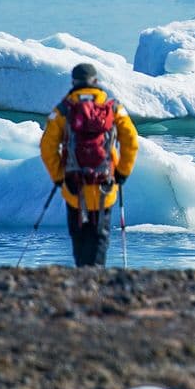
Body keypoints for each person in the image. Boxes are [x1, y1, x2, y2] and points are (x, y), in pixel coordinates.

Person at [40, 63, 139, 267]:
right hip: (106, 183)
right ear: (95, 81)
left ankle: (82, 276)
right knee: (99, 236)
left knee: (79, 235)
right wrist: (122, 172)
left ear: (74, 82)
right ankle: (96, 278)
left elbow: (47, 146)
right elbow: (131, 140)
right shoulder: (113, 108)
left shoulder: (63, 109)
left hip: (74, 185)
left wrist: (59, 176)